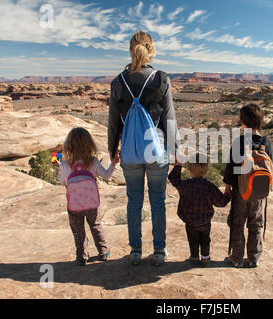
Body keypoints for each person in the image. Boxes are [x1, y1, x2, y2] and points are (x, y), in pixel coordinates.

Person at [108, 31, 179, 266]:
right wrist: (176, 149)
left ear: (131, 49)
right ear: (151, 50)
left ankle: (136, 251)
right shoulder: (161, 79)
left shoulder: (118, 81)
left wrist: (112, 148)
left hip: (130, 151)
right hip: (156, 150)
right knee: (157, 201)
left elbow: (113, 121)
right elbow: (169, 119)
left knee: (134, 201)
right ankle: (159, 251)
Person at [59, 127, 119, 266]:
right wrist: (114, 164)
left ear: (69, 145)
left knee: (78, 231)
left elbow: (63, 182)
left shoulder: (64, 164)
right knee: (95, 225)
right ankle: (103, 252)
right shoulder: (93, 162)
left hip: (74, 205)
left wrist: (61, 171)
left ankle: (81, 257)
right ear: (89, 144)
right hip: (92, 204)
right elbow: (106, 175)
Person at [223, 104, 273, 268]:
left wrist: (228, 186)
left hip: (241, 191)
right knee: (256, 223)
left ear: (243, 121)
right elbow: (271, 166)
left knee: (238, 223)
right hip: (258, 192)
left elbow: (231, 167)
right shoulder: (267, 142)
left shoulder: (240, 141)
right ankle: (254, 258)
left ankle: (236, 258)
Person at [168, 154, 230, 266]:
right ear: (206, 169)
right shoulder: (210, 187)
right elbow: (222, 202)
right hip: (205, 221)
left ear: (189, 170)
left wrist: (178, 165)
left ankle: (194, 257)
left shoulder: (185, 185)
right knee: (205, 239)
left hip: (189, 220)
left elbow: (173, 178)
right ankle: (205, 258)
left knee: (192, 239)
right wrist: (227, 190)